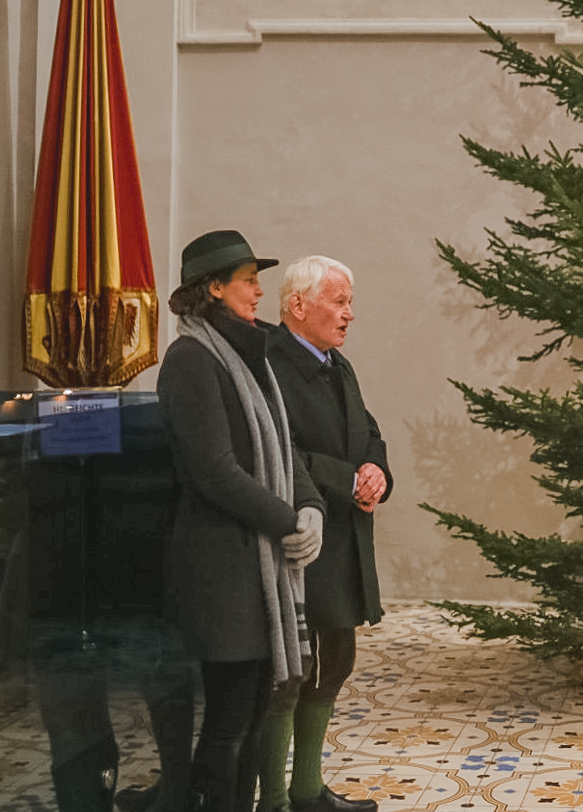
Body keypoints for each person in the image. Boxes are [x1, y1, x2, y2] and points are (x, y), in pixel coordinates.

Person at [156, 231, 325, 812]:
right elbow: (214, 472)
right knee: (229, 723)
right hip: (221, 571)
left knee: (256, 714)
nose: (259, 290)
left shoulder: (253, 356)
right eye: (248, 279)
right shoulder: (190, 360)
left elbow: (285, 446)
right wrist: (286, 522)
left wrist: (311, 508)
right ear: (213, 288)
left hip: (258, 570)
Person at [258, 257, 391, 812]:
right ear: (298, 306)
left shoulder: (338, 366)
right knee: (288, 677)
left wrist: (377, 472)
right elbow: (276, 452)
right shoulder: (271, 367)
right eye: (339, 302)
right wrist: (345, 478)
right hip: (301, 544)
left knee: (334, 662)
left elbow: (369, 432)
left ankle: (308, 790)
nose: (349, 314)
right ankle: (271, 797)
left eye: (349, 301)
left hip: (346, 541)